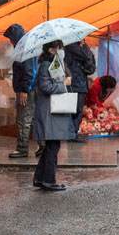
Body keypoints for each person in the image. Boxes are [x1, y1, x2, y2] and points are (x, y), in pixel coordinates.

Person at [32, 41, 74, 192]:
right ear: (51, 50)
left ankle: (40, 178)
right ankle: (49, 180)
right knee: (53, 146)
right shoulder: (45, 65)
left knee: (51, 146)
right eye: (59, 48)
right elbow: (45, 86)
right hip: (49, 110)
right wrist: (63, 84)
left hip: (53, 109)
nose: (62, 51)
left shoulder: (56, 63)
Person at [4, 24, 38, 160]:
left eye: (11, 39)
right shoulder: (27, 48)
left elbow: (30, 72)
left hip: (27, 91)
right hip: (31, 89)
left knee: (23, 120)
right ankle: (41, 147)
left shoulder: (25, 50)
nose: (10, 41)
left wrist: (24, 90)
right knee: (34, 119)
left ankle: (22, 149)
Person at [64, 40, 96, 142]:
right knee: (75, 109)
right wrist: (85, 45)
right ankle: (71, 134)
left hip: (79, 82)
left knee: (77, 109)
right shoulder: (71, 45)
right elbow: (86, 55)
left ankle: (73, 133)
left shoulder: (73, 46)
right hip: (75, 83)